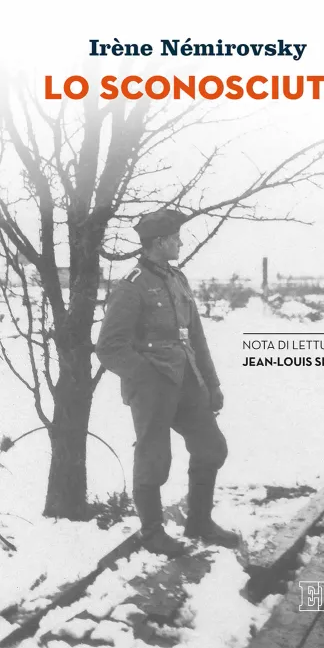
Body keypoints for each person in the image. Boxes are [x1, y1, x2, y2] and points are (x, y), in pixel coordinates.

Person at [96, 208, 239, 556]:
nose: (180, 243)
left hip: (186, 380)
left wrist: (212, 383)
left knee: (211, 447)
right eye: (175, 238)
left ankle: (199, 522)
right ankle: (152, 533)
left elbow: (196, 336)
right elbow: (109, 347)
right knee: (154, 458)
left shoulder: (177, 279)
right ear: (159, 242)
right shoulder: (131, 287)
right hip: (153, 387)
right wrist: (146, 376)